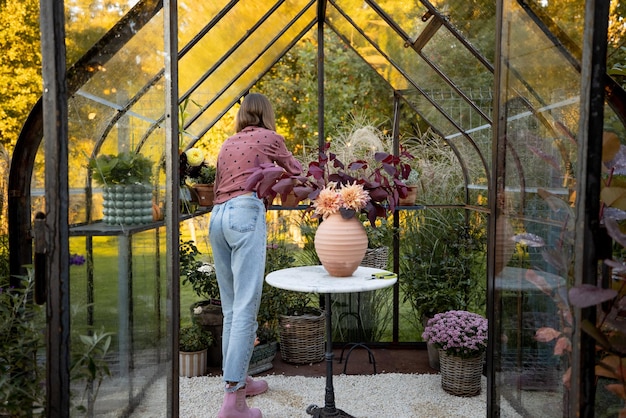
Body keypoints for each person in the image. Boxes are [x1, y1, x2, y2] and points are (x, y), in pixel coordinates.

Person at [209, 93, 302, 418]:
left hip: (217, 217)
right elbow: (297, 170)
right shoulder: (271, 137)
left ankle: (240, 380)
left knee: (232, 309)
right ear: (266, 113)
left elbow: (220, 184)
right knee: (246, 309)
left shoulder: (227, 143)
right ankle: (233, 403)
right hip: (244, 213)